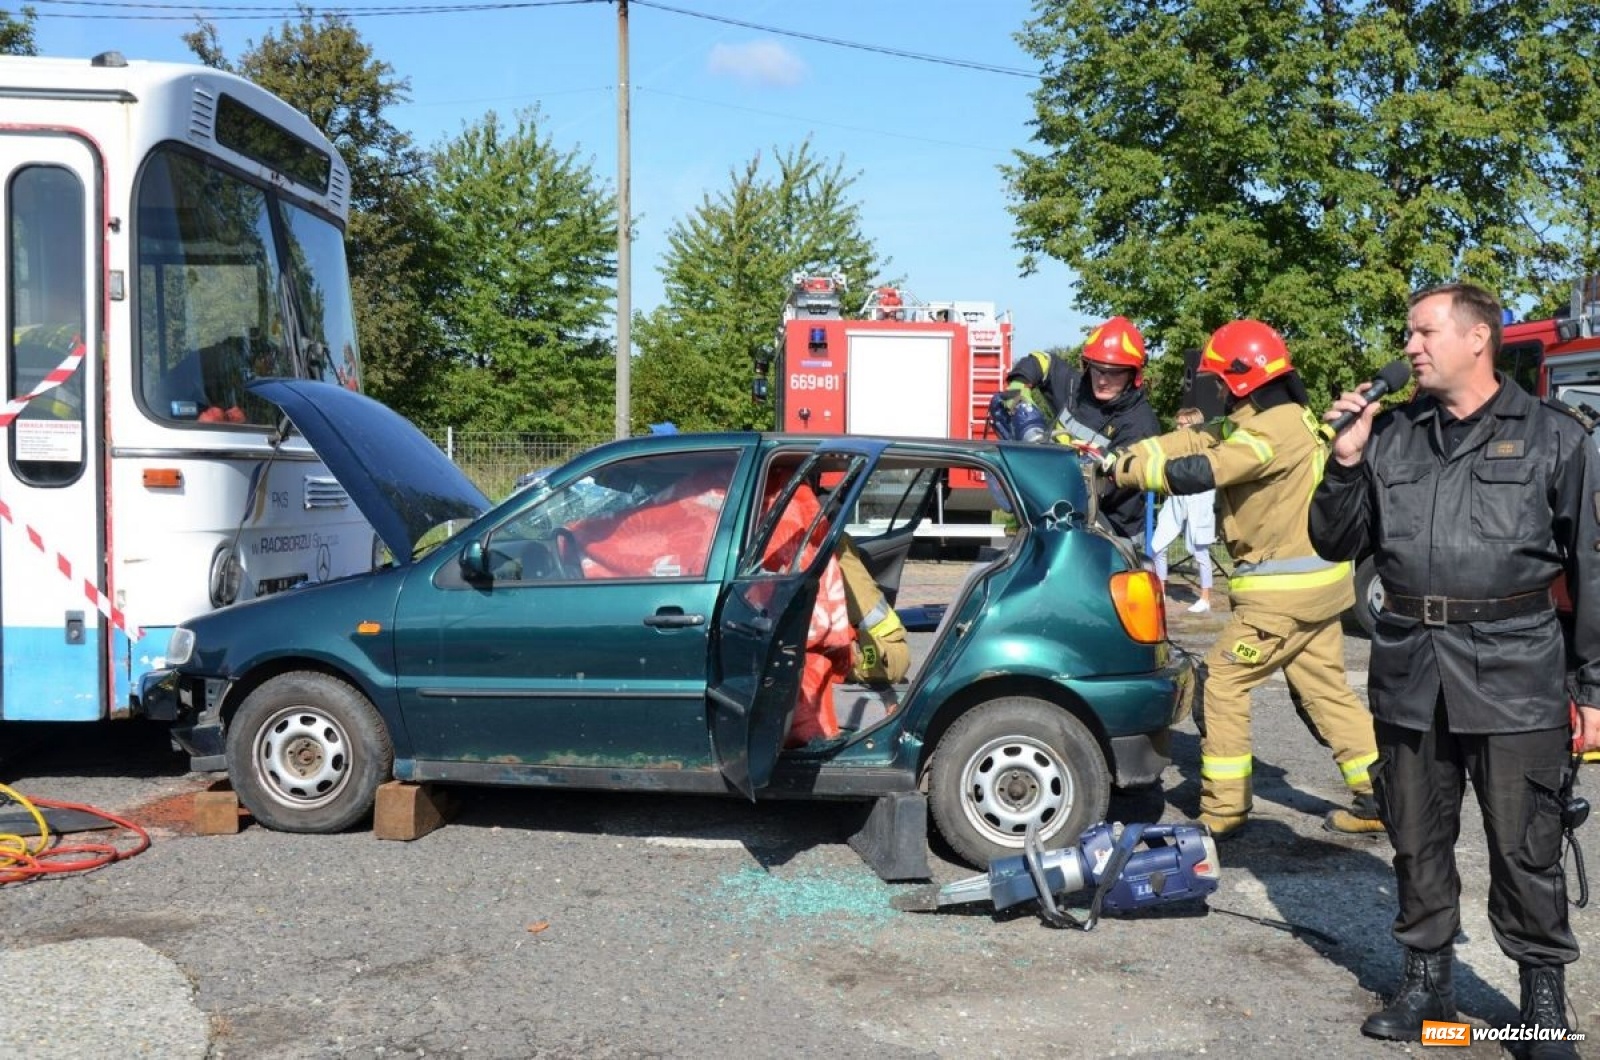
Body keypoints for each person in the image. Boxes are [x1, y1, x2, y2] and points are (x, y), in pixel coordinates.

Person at [1309, 282, 1600, 1053]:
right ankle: (1427, 992)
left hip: (1515, 671)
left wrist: (1594, 688)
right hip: (1411, 669)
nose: (1409, 346)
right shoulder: (1391, 435)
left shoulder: (1554, 437)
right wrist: (1345, 458)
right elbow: (1334, 542)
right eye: (1408, 333)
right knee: (1416, 838)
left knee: (1526, 847)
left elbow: (1592, 569)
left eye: (1424, 331)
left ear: (1477, 338)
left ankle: (1541, 1008)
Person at [1107, 319, 1383, 838]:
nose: (1214, 390)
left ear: (1240, 379)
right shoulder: (1285, 416)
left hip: (1281, 597)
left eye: (1218, 380)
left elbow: (1202, 470)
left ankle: (1224, 809)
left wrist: (1123, 472)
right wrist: (1133, 451)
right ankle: (1379, 795)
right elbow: (1197, 437)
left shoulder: (1265, 433)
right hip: (1319, 587)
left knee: (1222, 681)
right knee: (1326, 690)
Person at [1004, 316, 1160, 542]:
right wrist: (1019, 383)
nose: (1102, 380)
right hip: (1059, 514)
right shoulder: (1076, 388)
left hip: (1112, 533)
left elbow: (1108, 487)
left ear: (1133, 375)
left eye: (1114, 372)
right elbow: (1042, 361)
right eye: (1097, 369)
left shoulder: (1140, 425)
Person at [1149, 408, 1216, 613]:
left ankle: (1205, 598)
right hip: (1177, 496)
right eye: (1177, 424)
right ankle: (1160, 591)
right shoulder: (1174, 446)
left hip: (1200, 496)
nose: (1177, 428)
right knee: (1158, 545)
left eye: (1182, 424)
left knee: (1199, 549)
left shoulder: (1206, 445)